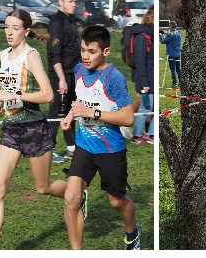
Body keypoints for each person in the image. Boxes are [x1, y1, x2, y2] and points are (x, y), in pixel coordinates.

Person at [0, 10, 66, 250]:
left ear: (26, 31)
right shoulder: (3, 56)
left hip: (34, 130)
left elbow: (48, 96)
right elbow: (11, 91)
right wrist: (2, 101)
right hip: (10, 130)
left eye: (15, 27)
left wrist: (14, 95)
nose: (9, 32)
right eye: (7, 26)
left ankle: (75, 194)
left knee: (43, 187)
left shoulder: (32, 57)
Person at [60, 25, 140, 250]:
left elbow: (128, 118)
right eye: (83, 50)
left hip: (110, 150)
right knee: (71, 198)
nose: (86, 56)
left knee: (117, 202)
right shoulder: (78, 71)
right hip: (84, 147)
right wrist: (69, 115)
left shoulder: (113, 78)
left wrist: (92, 113)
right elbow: (81, 101)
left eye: (92, 51)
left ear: (105, 51)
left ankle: (133, 233)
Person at [46, 0, 81, 163]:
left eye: (75, 2)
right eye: (70, 2)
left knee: (71, 110)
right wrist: (61, 79)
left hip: (74, 73)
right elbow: (54, 54)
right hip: (60, 75)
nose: (74, 5)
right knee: (57, 112)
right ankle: (48, 148)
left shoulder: (72, 21)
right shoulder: (56, 23)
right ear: (61, 2)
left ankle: (71, 146)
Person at [128, 8, 155, 144]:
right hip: (145, 80)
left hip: (153, 78)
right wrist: (144, 83)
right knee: (145, 107)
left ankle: (152, 134)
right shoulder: (142, 36)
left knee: (155, 107)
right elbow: (140, 61)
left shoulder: (152, 36)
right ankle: (137, 135)